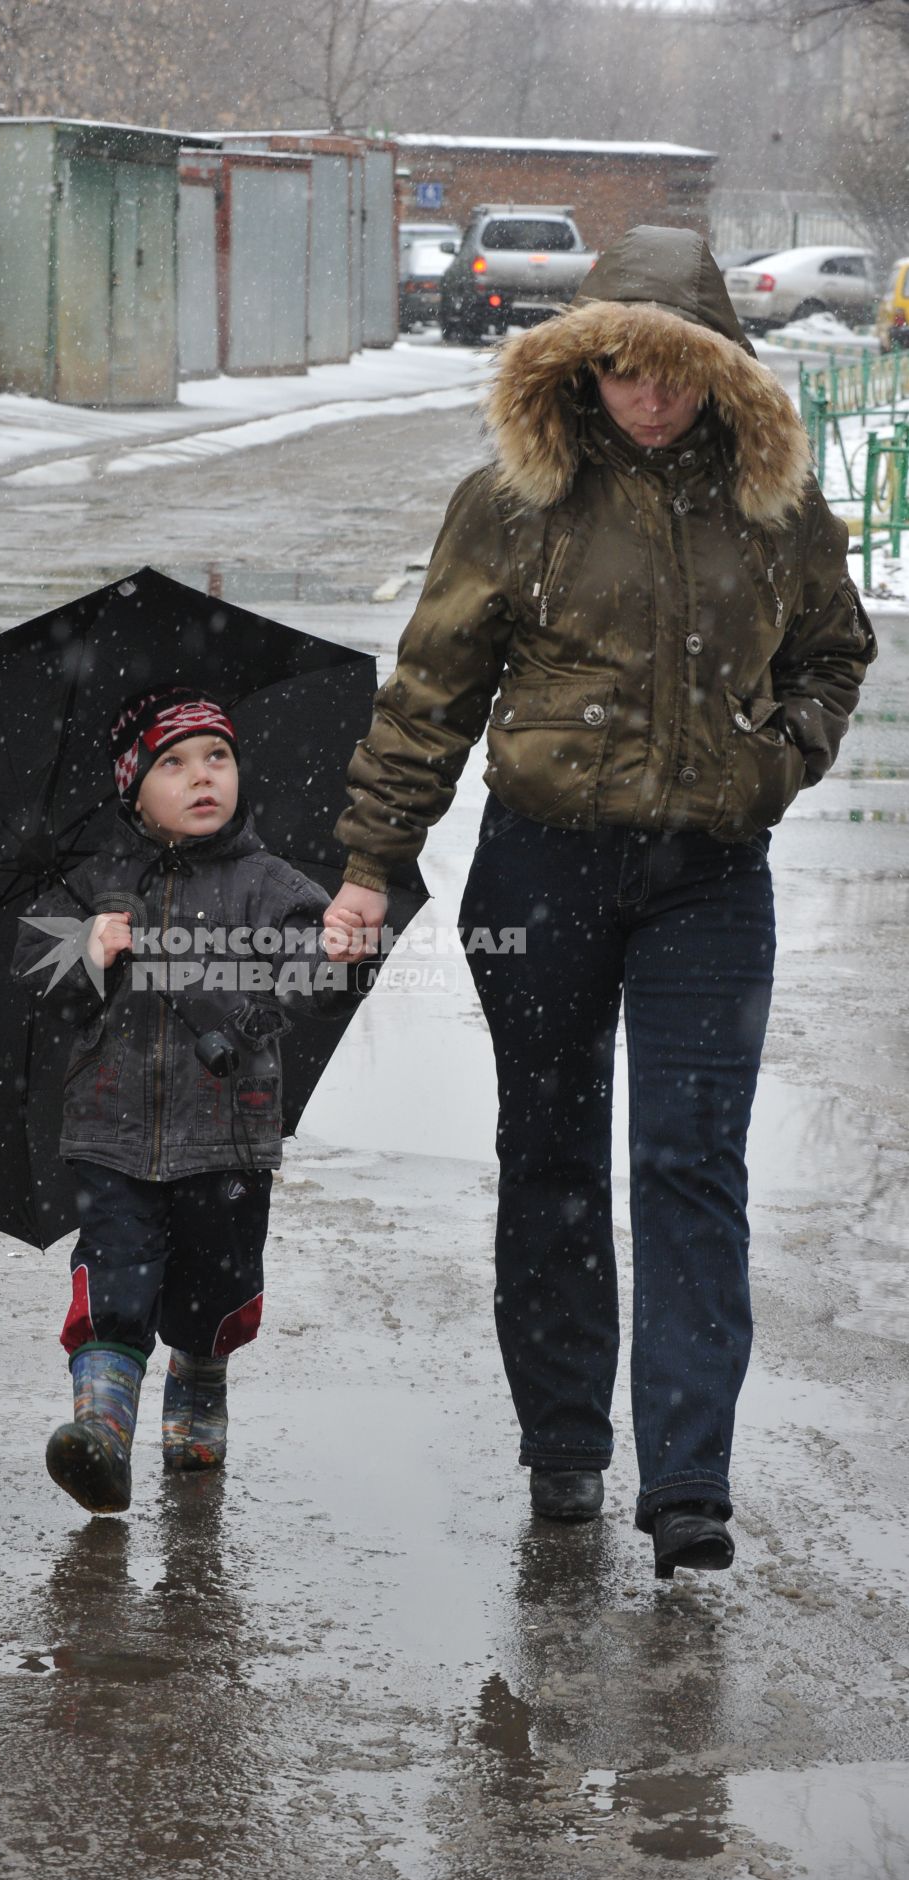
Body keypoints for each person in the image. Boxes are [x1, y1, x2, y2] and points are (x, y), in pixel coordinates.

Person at [324, 227, 876, 1579]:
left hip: (709, 881)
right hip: (545, 865)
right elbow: (430, 694)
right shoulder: (512, 502)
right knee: (554, 1157)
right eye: (626, 370)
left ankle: (689, 1479)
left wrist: (777, 760)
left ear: (721, 373)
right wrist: (369, 860)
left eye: (679, 373)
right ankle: (563, 1445)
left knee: (690, 1165)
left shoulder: (773, 503)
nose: (652, 398)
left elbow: (834, 649)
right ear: (585, 364)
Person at [14, 687, 344, 1516]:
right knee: (115, 1274)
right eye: (174, 763)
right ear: (132, 789)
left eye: (218, 757)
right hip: (110, 1128)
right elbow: (31, 974)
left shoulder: (267, 883)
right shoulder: (94, 885)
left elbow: (320, 967)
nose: (203, 777)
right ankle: (101, 1430)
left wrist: (306, 965)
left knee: (215, 1279)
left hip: (227, 1133)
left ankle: (199, 1377)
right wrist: (85, 950)